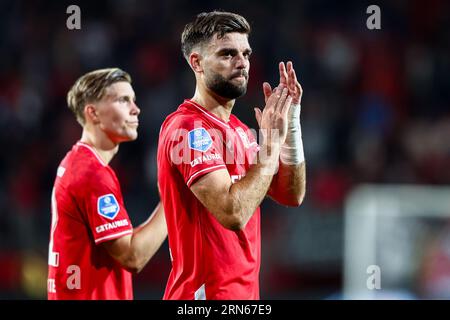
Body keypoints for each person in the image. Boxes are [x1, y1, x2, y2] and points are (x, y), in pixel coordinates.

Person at [157, 11, 306, 299]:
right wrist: (271, 147)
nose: (242, 63)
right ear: (196, 62)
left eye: (245, 53)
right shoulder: (187, 129)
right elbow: (233, 212)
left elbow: (292, 194)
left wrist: (291, 127)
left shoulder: (240, 131)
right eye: (227, 54)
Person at [47, 68, 167, 300]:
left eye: (133, 100)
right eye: (123, 100)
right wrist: (173, 200)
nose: (135, 109)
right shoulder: (91, 173)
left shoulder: (78, 162)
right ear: (93, 113)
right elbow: (133, 257)